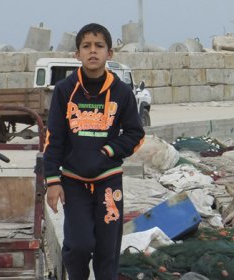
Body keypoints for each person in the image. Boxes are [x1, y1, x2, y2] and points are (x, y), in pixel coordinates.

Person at [43, 23, 145, 280]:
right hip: (74, 182)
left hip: (109, 183)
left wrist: (110, 149)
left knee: (107, 251)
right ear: (77, 54)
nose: (92, 51)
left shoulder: (122, 92)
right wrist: (52, 181)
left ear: (109, 53)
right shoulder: (65, 91)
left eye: (99, 46)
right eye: (86, 46)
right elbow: (53, 139)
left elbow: (135, 134)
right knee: (79, 245)